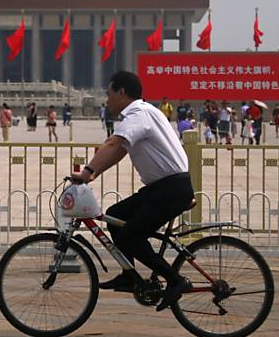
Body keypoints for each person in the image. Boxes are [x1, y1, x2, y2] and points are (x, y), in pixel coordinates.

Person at [71, 70, 194, 311]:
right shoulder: (147, 112)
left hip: (169, 188)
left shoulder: (138, 114)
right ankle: (129, 273)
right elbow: (119, 150)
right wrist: (93, 174)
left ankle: (176, 280)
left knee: (131, 236)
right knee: (116, 216)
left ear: (121, 92)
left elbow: (113, 143)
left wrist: (86, 172)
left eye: (109, 94)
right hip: (165, 187)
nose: (107, 100)